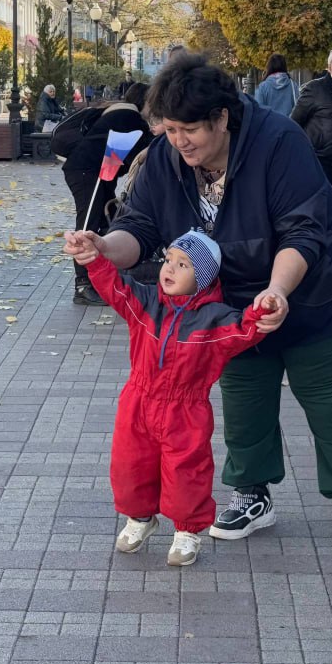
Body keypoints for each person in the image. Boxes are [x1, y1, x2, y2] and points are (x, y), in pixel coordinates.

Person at [65, 54, 332, 552]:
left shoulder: (279, 143)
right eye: (169, 130)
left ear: (222, 118)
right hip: (231, 299)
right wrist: (104, 247)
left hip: (317, 287)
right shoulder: (168, 159)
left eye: (190, 129)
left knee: (328, 392)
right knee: (244, 391)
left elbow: (302, 230)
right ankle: (252, 492)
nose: (179, 141)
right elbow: (140, 227)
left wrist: (277, 290)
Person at [70, 229, 268, 566]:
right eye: (168, 260)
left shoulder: (214, 319)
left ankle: (187, 531)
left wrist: (262, 311)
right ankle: (140, 519)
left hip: (186, 410)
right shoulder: (146, 303)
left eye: (184, 265)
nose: (170, 269)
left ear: (203, 279)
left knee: (186, 472)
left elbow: (243, 332)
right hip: (138, 402)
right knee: (130, 466)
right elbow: (115, 288)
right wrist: (94, 260)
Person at [63, 83, 151, 305]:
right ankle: (82, 285)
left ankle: (100, 277)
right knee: (88, 224)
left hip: (94, 171)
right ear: (145, 101)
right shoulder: (130, 116)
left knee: (104, 218)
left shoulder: (119, 111)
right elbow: (147, 148)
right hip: (87, 172)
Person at [289, 47, 332, 204]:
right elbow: (294, 122)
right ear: (329, 67)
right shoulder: (315, 89)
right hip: (320, 162)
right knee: (320, 210)